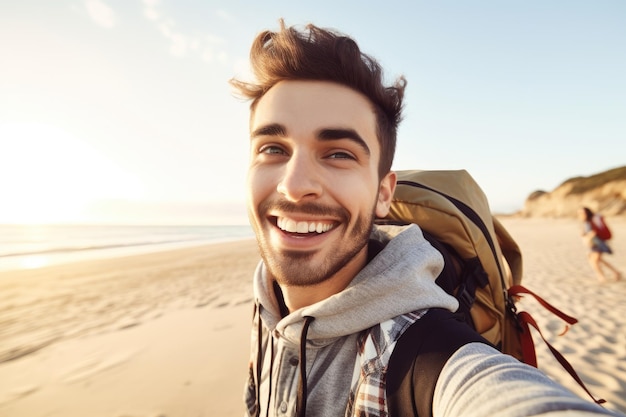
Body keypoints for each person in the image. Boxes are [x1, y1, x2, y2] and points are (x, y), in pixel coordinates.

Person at [231, 20, 622, 417]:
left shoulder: (425, 355)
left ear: (384, 193)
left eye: (338, 154)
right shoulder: (266, 300)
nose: (294, 186)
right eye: (273, 148)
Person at [578, 206, 621, 283]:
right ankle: (616, 272)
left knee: (594, 261)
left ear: (586, 213)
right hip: (594, 244)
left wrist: (587, 240)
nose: (580, 214)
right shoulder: (586, 222)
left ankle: (602, 277)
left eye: (581, 213)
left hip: (598, 244)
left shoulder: (590, 221)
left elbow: (593, 232)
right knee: (597, 260)